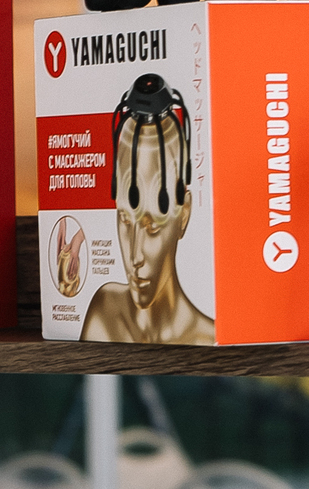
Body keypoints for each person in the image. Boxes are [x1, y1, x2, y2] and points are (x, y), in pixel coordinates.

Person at [81, 77, 213, 347]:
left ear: (184, 214)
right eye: (124, 219)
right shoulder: (104, 313)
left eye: (152, 227)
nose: (135, 256)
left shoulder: (207, 339)